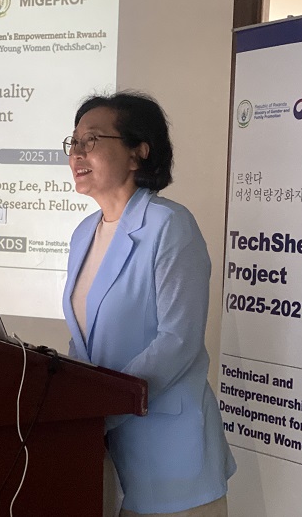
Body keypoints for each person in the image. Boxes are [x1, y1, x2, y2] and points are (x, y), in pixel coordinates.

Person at [62, 92, 236, 516]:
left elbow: (177, 342)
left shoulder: (170, 225)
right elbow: (84, 341)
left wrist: (100, 411)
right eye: (73, 141)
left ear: (138, 152)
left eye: (91, 139)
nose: (76, 153)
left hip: (170, 457)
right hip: (106, 453)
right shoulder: (84, 233)